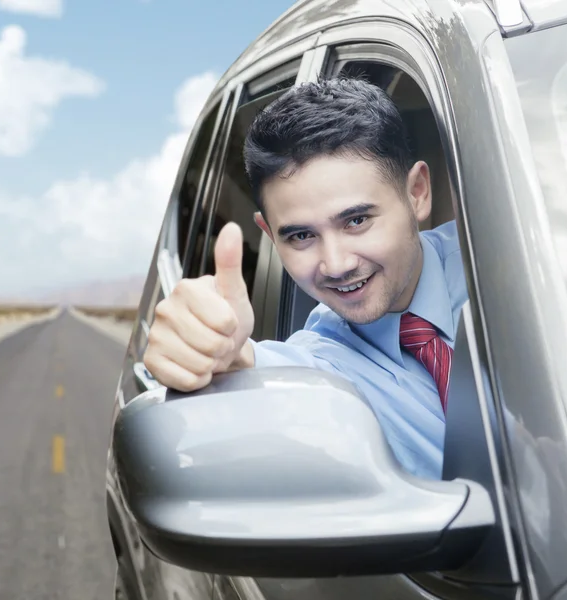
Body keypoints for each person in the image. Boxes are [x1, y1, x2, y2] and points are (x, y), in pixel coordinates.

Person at [143, 78, 467, 480]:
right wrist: (213, 351)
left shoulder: (514, 261)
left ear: (417, 193)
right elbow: (260, 368)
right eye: (301, 236)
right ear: (269, 235)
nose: (335, 265)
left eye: (357, 220)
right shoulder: (321, 367)